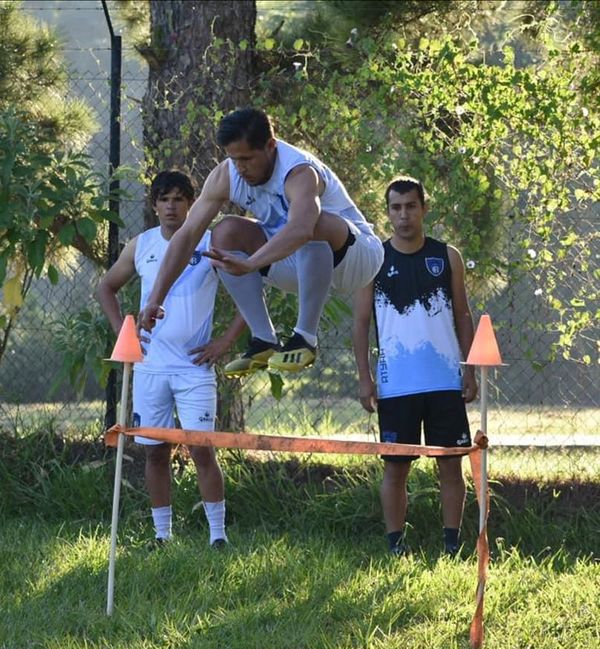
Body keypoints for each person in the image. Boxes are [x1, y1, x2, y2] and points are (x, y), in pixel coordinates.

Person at [137, 108, 384, 377]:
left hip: (356, 258)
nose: (240, 168)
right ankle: (264, 339)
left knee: (312, 222)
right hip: (295, 263)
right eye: (234, 159)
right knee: (225, 232)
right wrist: (155, 299)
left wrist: (251, 263)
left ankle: (305, 339)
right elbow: (186, 236)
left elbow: (301, 229)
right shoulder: (227, 174)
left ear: (270, 146)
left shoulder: (299, 172)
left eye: (247, 159)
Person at [96, 170, 245, 548]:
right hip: (150, 369)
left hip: (194, 368)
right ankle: (162, 535)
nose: (171, 206)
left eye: (179, 198)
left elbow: (250, 291)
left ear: (192, 204)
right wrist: (124, 334)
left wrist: (224, 341)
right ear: (154, 205)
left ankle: (218, 536)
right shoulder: (141, 245)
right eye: (164, 199)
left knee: (201, 449)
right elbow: (107, 288)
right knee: (155, 453)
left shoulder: (210, 243)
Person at [352, 176, 478, 557]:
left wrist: (468, 371)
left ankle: (452, 545)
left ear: (424, 208)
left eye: (410, 206)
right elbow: (359, 323)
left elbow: (463, 313)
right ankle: (396, 546)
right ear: (387, 211)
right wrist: (364, 378)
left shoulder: (447, 256)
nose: (403, 215)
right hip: (396, 386)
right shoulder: (374, 259)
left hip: (444, 383)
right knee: (395, 469)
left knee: (451, 466)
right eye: (396, 207)